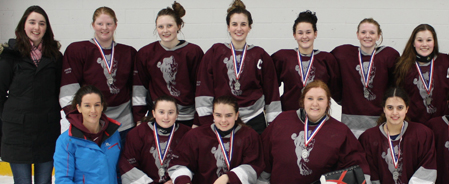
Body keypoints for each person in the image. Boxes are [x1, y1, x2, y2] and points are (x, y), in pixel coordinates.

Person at [56, 6, 137, 184]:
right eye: (100, 24)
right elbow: (69, 90)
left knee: (121, 169)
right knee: (83, 172)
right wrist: (79, 123)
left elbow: (136, 88)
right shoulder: (78, 49)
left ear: (116, 25)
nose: (104, 28)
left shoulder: (128, 52)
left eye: (109, 23)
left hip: (121, 123)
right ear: (93, 25)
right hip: (91, 122)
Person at [0, 6, 62, 184]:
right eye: (32, 22)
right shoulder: (9, 56)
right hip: (17, 131)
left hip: (47, 129)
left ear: (47, 28)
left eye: (42, 23)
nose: (36, 27)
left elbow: (60, 91)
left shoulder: (55, 56)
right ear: (24, 25)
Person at [195, 0, 280, 133]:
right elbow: (204, 90)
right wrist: (206, 123)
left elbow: (272, 92)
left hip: (253, 118)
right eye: (234, 24)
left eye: (243, 24)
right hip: (223, 118)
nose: (239, 29)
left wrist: (273, 125)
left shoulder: (260, 55)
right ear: (228, 27)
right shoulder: (215, 52)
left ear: (249, 27)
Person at [133, 1, 204, 127]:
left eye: (169, 25)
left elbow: (201, 89)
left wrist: (198, 121)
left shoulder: (193, 52)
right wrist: (139, 118)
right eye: (160, 27)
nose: (165, 31)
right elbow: (139, 88)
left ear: (178, 26)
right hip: (158, 117)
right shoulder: (146, 53)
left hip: (187, 118)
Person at [332, 18, 399, 137]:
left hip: (379, 121)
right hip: (351, 121)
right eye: (363, 32)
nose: (367, 36)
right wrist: (341, 98)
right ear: (357, 35)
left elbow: (395, 84)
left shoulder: (388, 56)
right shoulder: (344, 53)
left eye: (372, 33)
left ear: (378, 36)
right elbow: (327, 68)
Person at [271, 10, 340, 111]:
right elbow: (270, 85)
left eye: (308, 32)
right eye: (300, 33)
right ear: (294, 35)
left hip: (318, 115)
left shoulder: (326, 59)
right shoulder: (283, 57)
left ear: (315, 34)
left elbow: (336, 90)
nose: (304, 36)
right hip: (289, 114)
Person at [394, 24, 449, 123]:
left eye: (429, 40)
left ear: (434, 42)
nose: (424, 44)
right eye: (420, 40)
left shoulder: (445, 61)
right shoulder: (403, 65)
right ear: (413, 43)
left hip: (442, 123)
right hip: (414, 124)